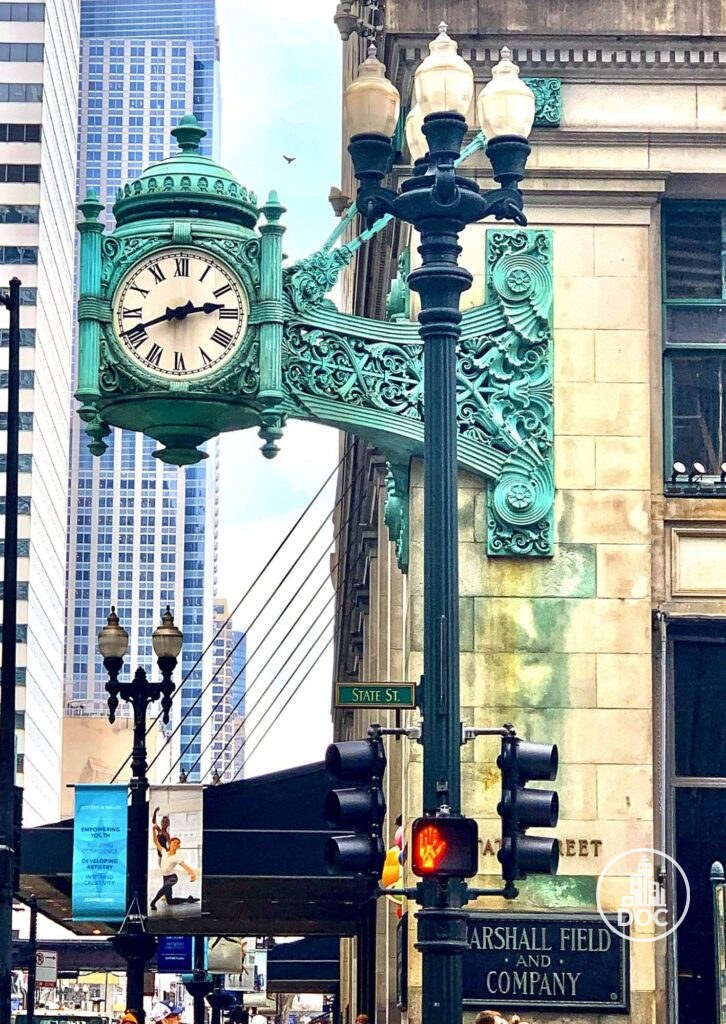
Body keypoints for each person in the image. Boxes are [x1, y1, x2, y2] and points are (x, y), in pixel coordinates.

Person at [150, 833, 199, 910]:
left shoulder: (177, 857)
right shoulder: (164, 852)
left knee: (164, 888)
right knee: (170, 901)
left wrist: (193, 874)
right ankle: (189, 899)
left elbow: (185, 866)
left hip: (172, 878)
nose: (175, 844)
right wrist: (153, 829)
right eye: (174, 842)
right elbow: (155, 841)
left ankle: (153, 903)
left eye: (177, 843)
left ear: (178, 846)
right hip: (165, 878)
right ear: (170, 844)